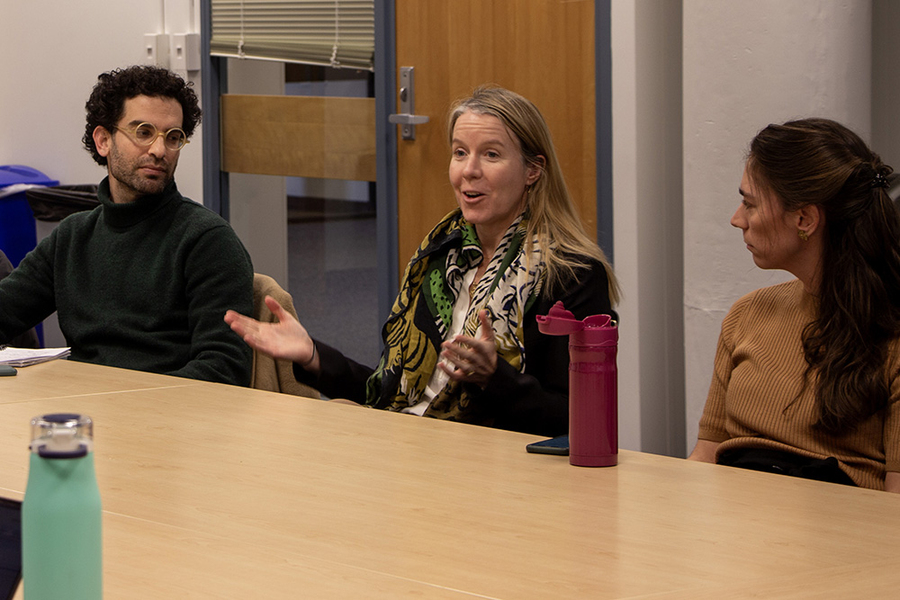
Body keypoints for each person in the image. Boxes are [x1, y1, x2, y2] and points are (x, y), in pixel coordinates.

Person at [226, 85, 618, 436]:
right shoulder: (440, 258)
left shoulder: (572, 274)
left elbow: (576, 419)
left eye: (491, 155)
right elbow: (390, 392)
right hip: (407, 441)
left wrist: (493, 377)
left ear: (533, 170)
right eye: (460, 153)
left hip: (486, 467)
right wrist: (312, 354)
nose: (469, 171)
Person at [0, 65, 254, 385]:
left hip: (169, 420)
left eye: (173, 137)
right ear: (103, 140)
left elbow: (225, 368)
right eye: (143, 132)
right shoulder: (73, 237)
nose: (160, 150)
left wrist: (125, 404)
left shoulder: (207, 240)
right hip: (84, 410)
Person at [688, 118, 900, 492]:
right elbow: (705, 457)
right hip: (731, 528)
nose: (737, 220)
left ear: (804, 219)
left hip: (840, 539)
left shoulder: (891, 338)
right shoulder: (746, 314)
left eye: (749, 204)